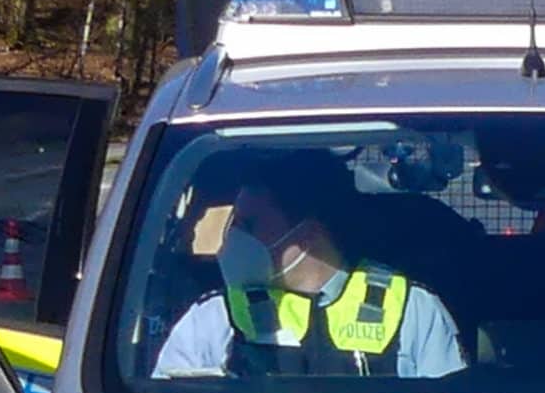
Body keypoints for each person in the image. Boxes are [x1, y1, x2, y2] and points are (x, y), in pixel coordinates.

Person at [152, 160, 464, 380]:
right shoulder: (215, 316)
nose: (232, 239)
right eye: (235, 224)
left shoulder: (413, 310)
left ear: (308, 235)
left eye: (248, 225)